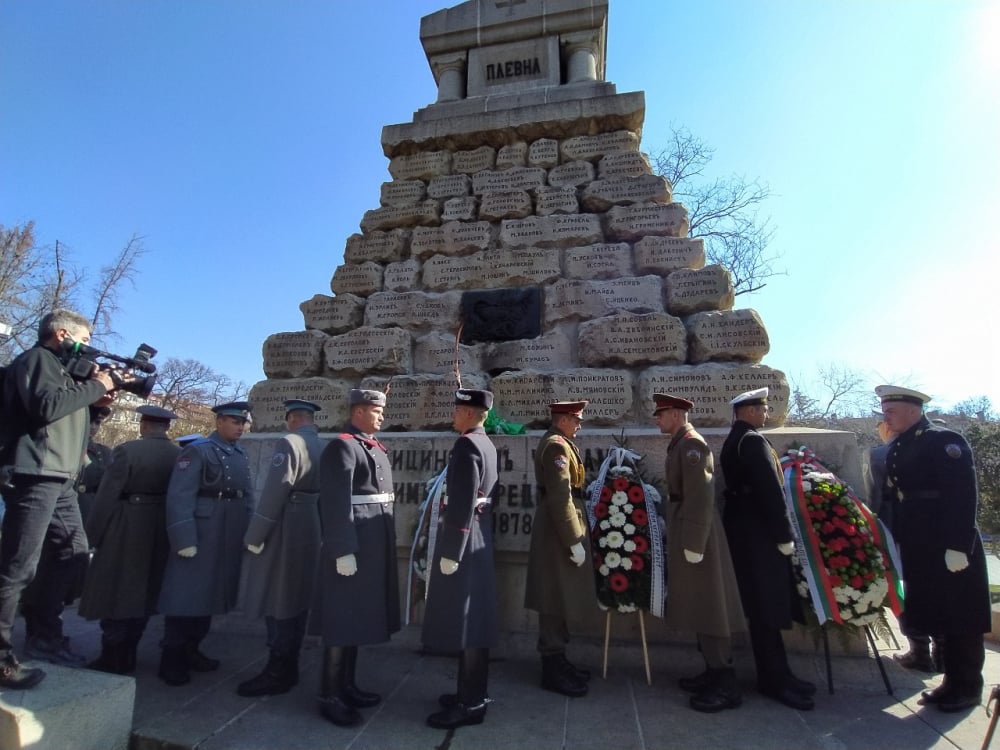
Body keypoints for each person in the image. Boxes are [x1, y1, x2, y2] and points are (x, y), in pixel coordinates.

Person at [0, 308, 117, 688]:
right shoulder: (37, 359)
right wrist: (97, 386)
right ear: (64, 335)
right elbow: (46, 407)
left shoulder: (64, 374)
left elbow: (70, 427)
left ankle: (44, 634)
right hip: (34, 474)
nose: (89, 346)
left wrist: (96, 408)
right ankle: (2, 658)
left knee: (72, 553)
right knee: (17, 567)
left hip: (60, 478)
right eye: (86, 337)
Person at [877, 384, 991, 712]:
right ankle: (951, 682)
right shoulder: (905, 443)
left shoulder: (944, 441)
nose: (886, 416)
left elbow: (961, 494)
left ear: (914, 409)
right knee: (942, 613)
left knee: (961, 617)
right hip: (923, 542)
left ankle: (968, 686)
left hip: (948, 542)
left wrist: (958, 545)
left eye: (891, 410)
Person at [720, 387, 815, 711]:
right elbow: (769, 491)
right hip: (759, 534)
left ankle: (780, 673)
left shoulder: (739, 439)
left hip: (746, 530)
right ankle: (774, 678)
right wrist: (783, 533)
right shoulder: (752, 441)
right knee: (767, 608)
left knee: (764, 609)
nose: (765, 413)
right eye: (761, 408)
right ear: (747, 411)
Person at [653, 393, 746, 713]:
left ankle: (725, 680)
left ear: (677, 414)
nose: (657, 419)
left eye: (661, 414)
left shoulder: (692, 445)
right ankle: (712, 669)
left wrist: (693, 543)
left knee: (711, 605)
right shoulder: (680, 442)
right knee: (700, 603)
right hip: (688, 529)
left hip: (699, 536)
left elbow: (700, 496)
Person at [312, 388, 399, 727]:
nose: (381, 416)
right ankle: (329, 693)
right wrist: (342, 548)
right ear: (359, 411)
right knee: (341, 618)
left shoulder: (372, 446)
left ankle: (346, 684)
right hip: (352, 543)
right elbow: (335, 502)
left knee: (356, 616)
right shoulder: (343, 447)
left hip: (372, 542)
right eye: (376, 411)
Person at [156, 401, 254, 686]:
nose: (241, 428)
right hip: (202, 530)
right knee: (186, 594)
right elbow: (180, 496)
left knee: (210, 595)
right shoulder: (197, 451)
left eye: (243, 423)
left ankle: (193, 649)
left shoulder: (238, 454)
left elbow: (246, 496)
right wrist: (183, 537)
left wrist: (247, 531)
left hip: (227, 531)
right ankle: (172, 657)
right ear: (220, 421)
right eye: (235, 422)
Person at [79, 404, 180, 674]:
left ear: (144, 425)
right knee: (145, 592)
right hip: (160, 527)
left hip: (126, 525)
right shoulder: (179, 454)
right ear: (166, 427)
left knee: (115, 589)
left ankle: (113, 654)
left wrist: (93, 535)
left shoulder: (127, 451)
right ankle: (131, 651)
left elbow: (106, 496)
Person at [422, 388, 500, 730]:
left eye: (457, 409)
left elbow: (464, 499)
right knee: (474, 618)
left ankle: (470, 703)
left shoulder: (468, 445)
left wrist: (452, 550)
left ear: (470, 413)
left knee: (469, 623)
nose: (453, 414)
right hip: (477, 534)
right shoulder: (485, 442)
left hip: (465, 540)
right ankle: (469, 693)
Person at [237, 399, 323, 697]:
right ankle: (290, 665)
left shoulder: (290, 443)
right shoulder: (324, 446)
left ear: (291, 419)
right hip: (310, 527)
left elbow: (275, 492)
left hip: (285, 527)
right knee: (297, 598)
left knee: (279, 598)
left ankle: (278, 670)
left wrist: (255, 535)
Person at [524, 400, 595, 698]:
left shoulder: (563, 442)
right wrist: (573, 539)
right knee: (553, 596)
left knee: (561, 594)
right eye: (575, 420)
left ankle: (560, 658)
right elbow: (560, 496)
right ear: (563, 419)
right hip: (557, 531)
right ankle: (551, 667)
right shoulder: (556, 447)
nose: (579, 425)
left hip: (560, 528)